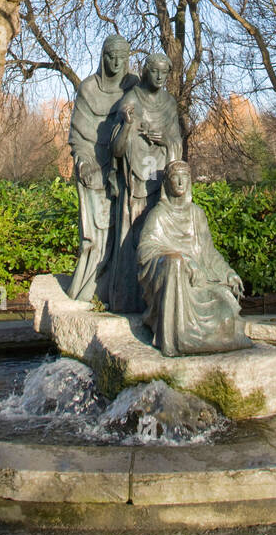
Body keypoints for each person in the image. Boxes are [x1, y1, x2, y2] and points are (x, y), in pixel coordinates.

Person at [136, 160, 249, 356]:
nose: (180, 182)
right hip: (175, 284)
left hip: (201, 283)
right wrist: (181, 260)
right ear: (167, 183)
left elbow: (209, 252)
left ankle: (203, 341)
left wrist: (228, 273)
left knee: (226, 316)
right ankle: (179, 339)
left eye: (185, 177)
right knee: (174, 263)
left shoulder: (197, 214)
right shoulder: (158, 215)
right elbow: (145, 249)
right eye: (175, 177)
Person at [107, 52, 182, 313]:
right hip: (134, 185)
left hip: (159, 181)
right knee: (132, 240)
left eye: (164, 72)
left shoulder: (170, 104)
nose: (160, 77)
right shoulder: (130, 100)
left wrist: (165, 141)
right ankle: (131, 301)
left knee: (160, 241)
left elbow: (177, 144)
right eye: (155, 71)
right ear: (146, 71)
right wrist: (127, 126)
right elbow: (116, 150)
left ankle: (160, 302)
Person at [66, 34, 136, 303]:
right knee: (96, 238)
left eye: (122, 56)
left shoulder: (134, 87)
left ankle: (123, 289)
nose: (116, 62)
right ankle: (90, 287)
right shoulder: (88, 89)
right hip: (95, 167)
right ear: (102, 56)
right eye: (111, 55)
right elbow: (78, 139)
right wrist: (84, 162)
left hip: (127, 170)